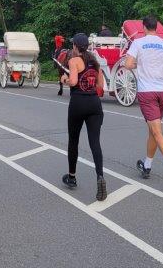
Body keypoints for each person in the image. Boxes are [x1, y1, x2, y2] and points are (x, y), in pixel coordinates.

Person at [124, 15, 163, 190]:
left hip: (147, 93)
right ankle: (147, 165)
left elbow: (128, 64)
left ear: (144, 27)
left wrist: (140, 64)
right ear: (157, 27)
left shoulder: (138, 43)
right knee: (153, 129)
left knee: (157, 132)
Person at [61, 33, 107, 201]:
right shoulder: (95, 63)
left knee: (73, 140)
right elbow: (100, 86)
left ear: (74, 47)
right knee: (95, 142)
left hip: (78, 103)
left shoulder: (74, 61)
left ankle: (72, 176)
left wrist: (65, 79)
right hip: (94, 104)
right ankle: (100, 176)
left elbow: (73, 81)